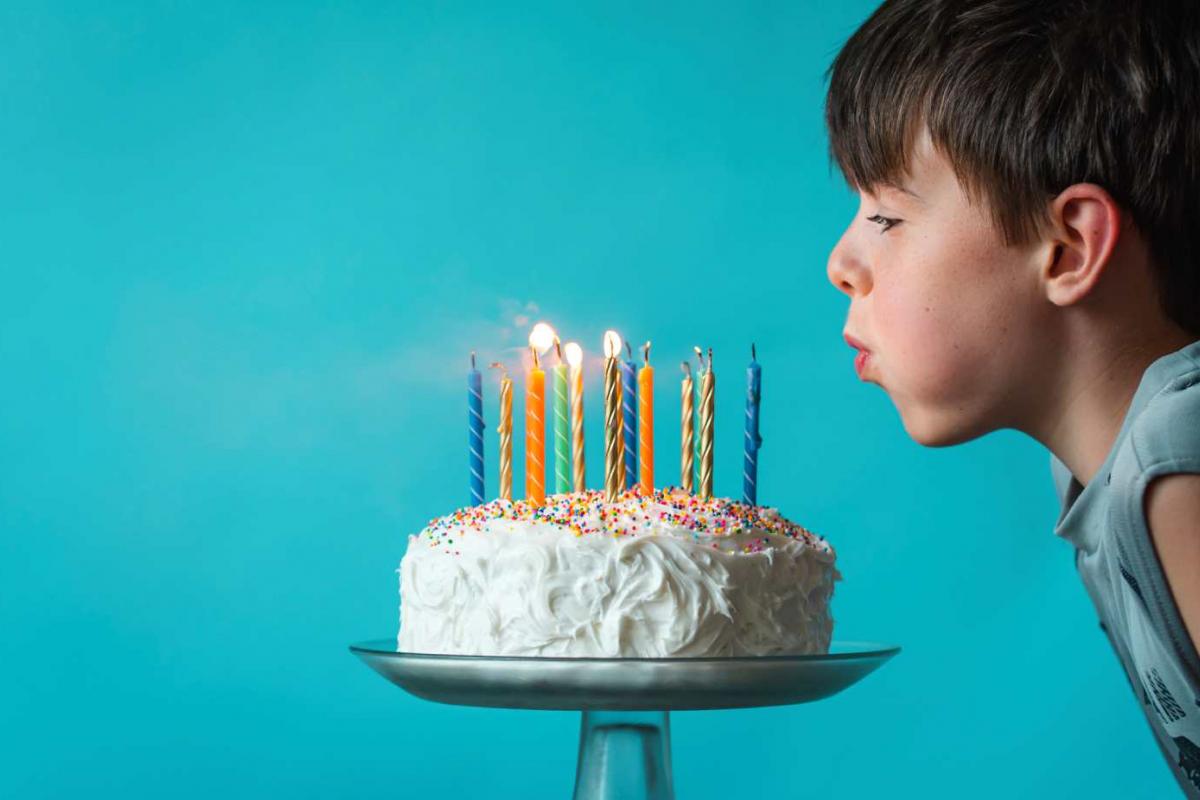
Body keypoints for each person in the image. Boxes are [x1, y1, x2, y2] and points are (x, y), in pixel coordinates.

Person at [823, 0, 1200, 794]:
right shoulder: (1105, 472)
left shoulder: (1178, 460)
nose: (841, 263)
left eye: (885, 216)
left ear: (1068, 248)